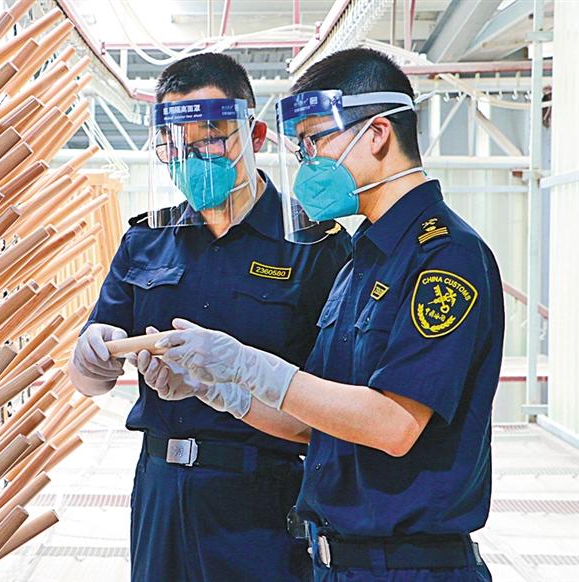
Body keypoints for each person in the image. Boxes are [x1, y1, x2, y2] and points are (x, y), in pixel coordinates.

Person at [140, 48, 505, 581]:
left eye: (314, 141)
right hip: (338, 562)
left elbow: (394, 425)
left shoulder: (444, 257)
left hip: (409, 566)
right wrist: (219, 390)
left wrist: (251, 365)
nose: (306, 161)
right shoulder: (362, 260)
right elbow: (317, 423)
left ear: (376, 133)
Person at [68, 52, 351, 582]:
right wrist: (89, 360)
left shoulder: (314, 245)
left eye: (212, 139)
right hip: (160, 492)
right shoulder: (147, 240)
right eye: (177, 145)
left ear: (255, 135)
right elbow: (91, 378)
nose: (194, 158)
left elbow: (342, 406)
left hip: (264, 500)